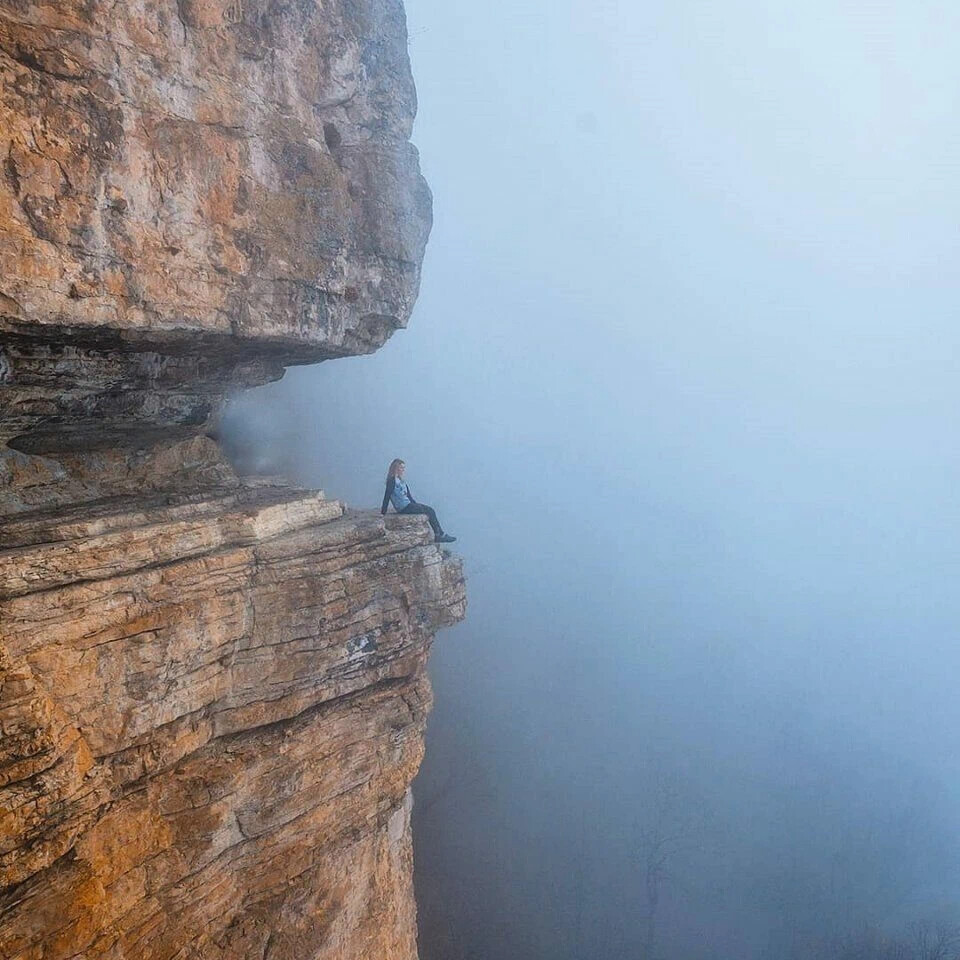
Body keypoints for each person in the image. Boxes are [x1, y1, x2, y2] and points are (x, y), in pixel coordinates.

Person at [381, 458, 456, 543]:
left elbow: (409, 496)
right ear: (396, 468)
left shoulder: (401, 481)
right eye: (401, 468)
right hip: (403, 507)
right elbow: (387, 496)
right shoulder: (392, 481)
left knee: (429, 510)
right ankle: (439, 535)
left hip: (408, 505)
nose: (403, 470)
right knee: (430, 511)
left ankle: (439, 534)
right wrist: (383, 512)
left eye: (403, 468)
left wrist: (416, 506)